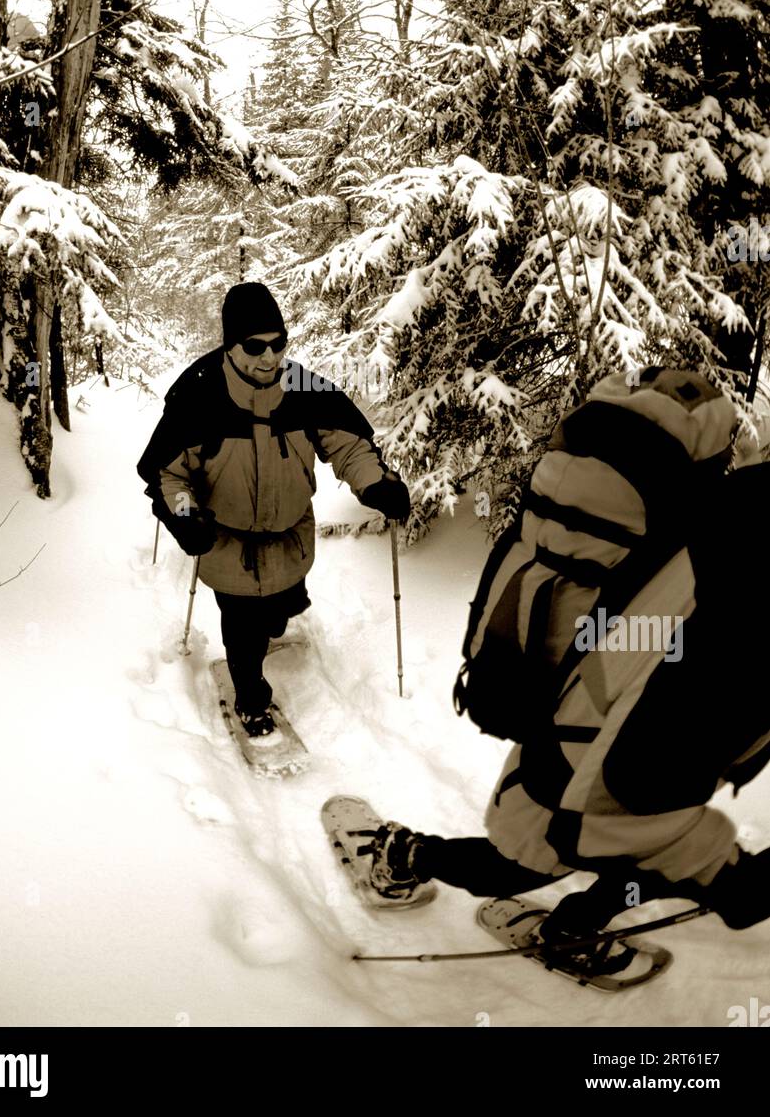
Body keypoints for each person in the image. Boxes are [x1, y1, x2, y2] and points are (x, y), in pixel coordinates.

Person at [363, 368, 770, 980]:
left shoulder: (694, 531)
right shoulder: (719, 539)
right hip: (624, 760)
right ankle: (426, 859)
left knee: (557, 855)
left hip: (581, 723)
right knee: (694, 877)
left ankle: (437, 865)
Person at [137, 282, 410, 737]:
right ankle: (251, 697)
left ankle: (268, 629)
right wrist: (185, 517)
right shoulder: (199, 395)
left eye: (278, 343)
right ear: (231, 345)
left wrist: (374, 483)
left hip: (290, 535)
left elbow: (346, 444)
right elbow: (169, 474)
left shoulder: (303, 387)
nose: (270, 357)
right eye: (255, 346)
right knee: (243, 630)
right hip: (226, 541)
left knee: (279, 613)